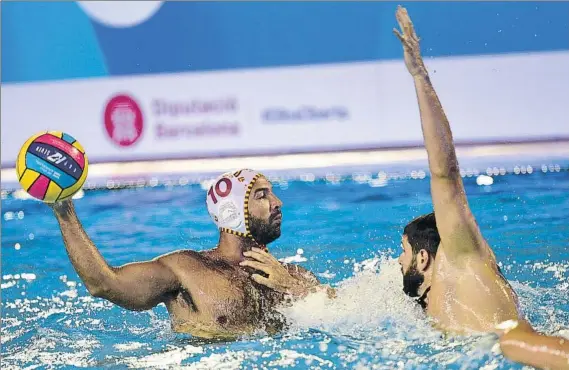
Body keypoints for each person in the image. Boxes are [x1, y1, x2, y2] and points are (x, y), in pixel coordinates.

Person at [392, 5, 569, 368]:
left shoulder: (460, 258)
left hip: (527, 351)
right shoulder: (435, 306)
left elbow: (446, 174)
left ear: (423, 257)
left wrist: (420, 77)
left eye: (403, 251)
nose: (397, 261)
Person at [50, 169, 331, 340]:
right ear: (234, 213)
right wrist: (64, 211)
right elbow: (103, 283)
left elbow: (347, 312)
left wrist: (294, 288)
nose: (277, 202)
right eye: (262, 196)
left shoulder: (293, 277)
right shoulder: (186, 269)